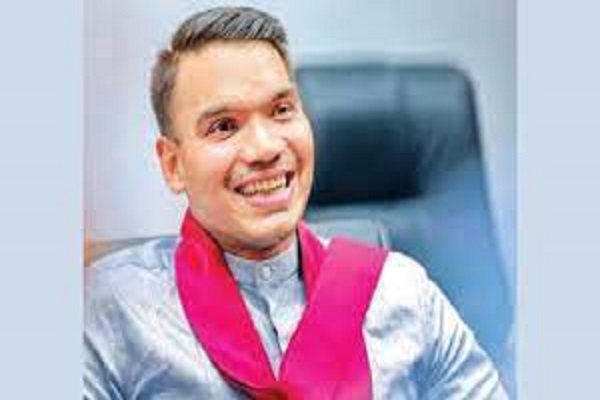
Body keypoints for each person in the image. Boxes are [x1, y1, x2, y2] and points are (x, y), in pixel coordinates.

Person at [84, 6, 508, 399]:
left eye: (282, 110)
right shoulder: (109, 313)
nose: (265, 147)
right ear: (173, 164)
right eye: (224, 126)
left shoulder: (403, 295)